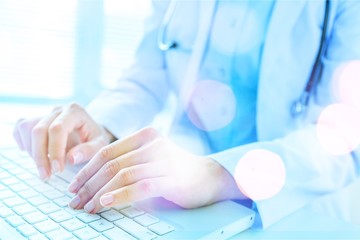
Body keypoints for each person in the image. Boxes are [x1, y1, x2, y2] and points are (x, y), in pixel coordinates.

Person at [13, 0, 360, 229]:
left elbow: (341, 141)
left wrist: (220, 173)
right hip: (179, 190)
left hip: (291, 209)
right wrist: (98, 129)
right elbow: (147, 73)